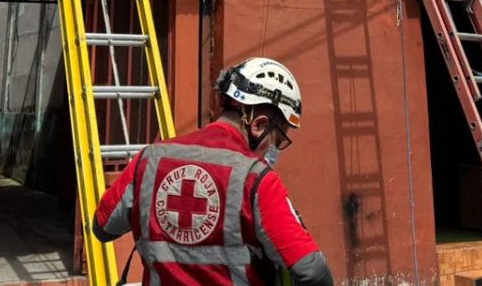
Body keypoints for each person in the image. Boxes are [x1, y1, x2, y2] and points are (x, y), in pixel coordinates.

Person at [93, 57, 333, 286]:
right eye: (278, 140)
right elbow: (311, 273)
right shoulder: (257, 179)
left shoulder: (149, 160)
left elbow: (102, 228)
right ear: (259, 125)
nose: (275, 150)